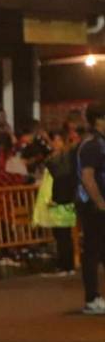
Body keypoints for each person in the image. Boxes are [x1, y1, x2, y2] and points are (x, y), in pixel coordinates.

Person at [74, 102, 105, 315]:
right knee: (93, 251)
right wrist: (100, 203)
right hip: (93, 206)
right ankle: (92, 299)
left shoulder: (99, 142)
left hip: (98, 205)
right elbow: (88, 177)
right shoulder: (93, 145)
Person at [35, 130, 78, 277]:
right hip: (58, 201)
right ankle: (67, 265)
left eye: (58, 140)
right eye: (54, 140)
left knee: (63, 235)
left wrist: (58, 198)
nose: (55, 143)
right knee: (61, 235)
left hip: (61, 202)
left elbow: (61, 180)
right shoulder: (59, 158)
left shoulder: (64, 159)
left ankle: (66, 266)